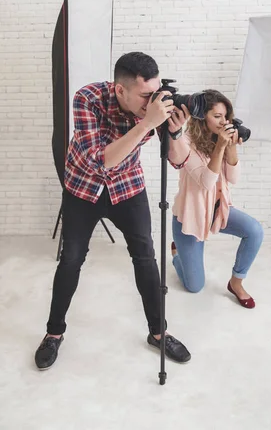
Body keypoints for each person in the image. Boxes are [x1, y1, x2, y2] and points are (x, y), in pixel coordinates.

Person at [35, 52, 191, 370]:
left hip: (128, 188)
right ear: (121, 90)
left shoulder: (155, 106)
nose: (152, 101)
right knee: (71, 259)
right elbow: (101, 160)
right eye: (145, 95)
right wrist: (148, 123)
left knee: (146, 256)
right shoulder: (87, 99)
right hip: (83, 188)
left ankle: (159, 332)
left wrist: (174, 131)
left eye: (155, 91)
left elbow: (177, 160)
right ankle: (54, 333)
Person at [171, 89, 264, 308]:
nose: (224, 122)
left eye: (226, 116)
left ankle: (236, 282)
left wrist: (230, 147)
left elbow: (232, 178)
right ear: (202, 118)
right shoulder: (185, 142)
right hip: (190, 218)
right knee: (195, 286)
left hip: (217, 212)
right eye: (217, 116)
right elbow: (207, 182)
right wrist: (221, 146)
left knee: (254, 231)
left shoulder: (220, 139)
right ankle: (178, 256)